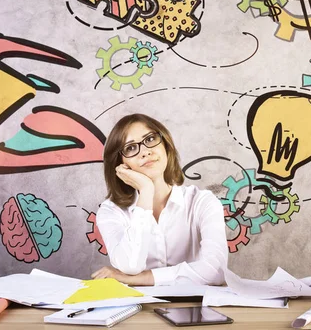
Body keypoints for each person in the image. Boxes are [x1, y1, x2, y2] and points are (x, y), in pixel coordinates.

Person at [91, 113, 228, 286]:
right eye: (131, 148)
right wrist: (146, 191)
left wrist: (142, 278)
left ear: (166, 145)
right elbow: (130, 266)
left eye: (150, 139)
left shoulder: (203, 202)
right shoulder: (111, 211)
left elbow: (216, 272)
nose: (145, 151)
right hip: (139, 310)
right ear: (121, 164)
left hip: (197, 309)